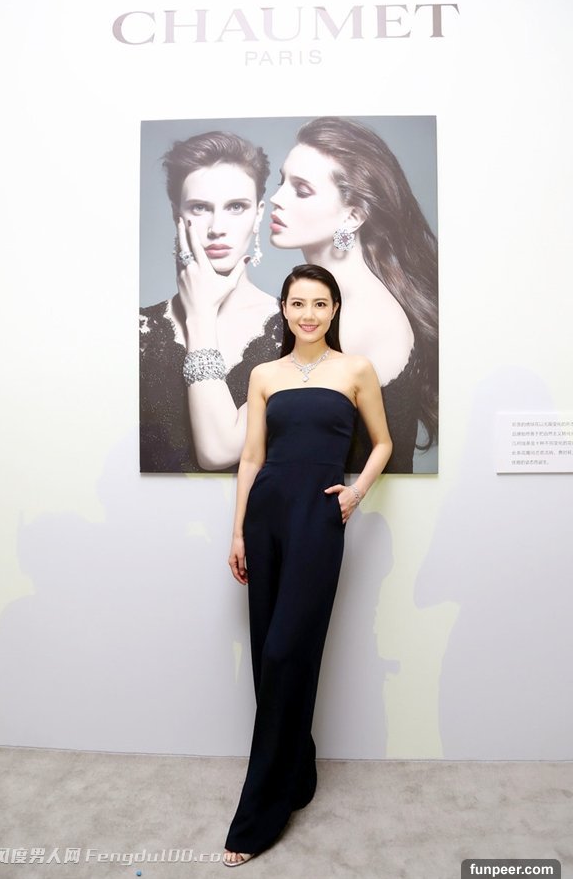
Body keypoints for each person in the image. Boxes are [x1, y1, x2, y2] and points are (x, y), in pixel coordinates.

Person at [223, 264, 393, 866]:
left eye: (320, 303)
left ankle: (259, 813)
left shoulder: (356, 369)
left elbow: (383, 442)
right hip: (266, 515)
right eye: (298, 303)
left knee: (284, 651)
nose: (309, 314)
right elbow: (251, 457)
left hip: (319, 518)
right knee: (266, 650)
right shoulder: (264, 375)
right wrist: (238, 530)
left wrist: (355, 493)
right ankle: (297, 770)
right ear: (285, 309)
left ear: (335, 309)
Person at [269, 116, 438, 473]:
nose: (275, 199)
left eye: (301, 190)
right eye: (281, 182)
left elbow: (241, 443)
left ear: (352, 217)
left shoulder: (361, 317)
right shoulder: (337, 300)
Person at [139, 131, 282, 472]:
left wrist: (201, 314)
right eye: (200, 208)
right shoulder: (137, 330)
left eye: (236, 207)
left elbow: (217, 452)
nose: (217, 227)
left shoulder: (298, 330)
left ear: (258, 214)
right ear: (177, 215)